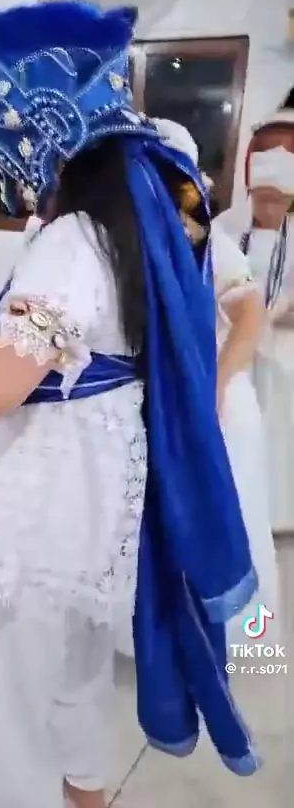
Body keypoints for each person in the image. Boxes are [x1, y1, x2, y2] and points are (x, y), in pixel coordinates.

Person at [0, 2, 261, 808]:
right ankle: (84, 792)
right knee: (78, 676)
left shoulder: (71, 241)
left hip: (36, 505)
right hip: (101, 495)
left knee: (10, 702)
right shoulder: (154, 224)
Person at [165, 122, 278, 644]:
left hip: (216, 396)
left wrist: (212, 390)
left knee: (225, 518)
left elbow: (251, 318)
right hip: (174, 396)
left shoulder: (210, 241)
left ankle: (232, 632)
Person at [213, 91, 294, 533]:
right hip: (231, 345)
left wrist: (276, 313)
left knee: (280, 430)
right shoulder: (227, 226)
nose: (269, 207)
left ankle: (277, 513)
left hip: (282, 350)